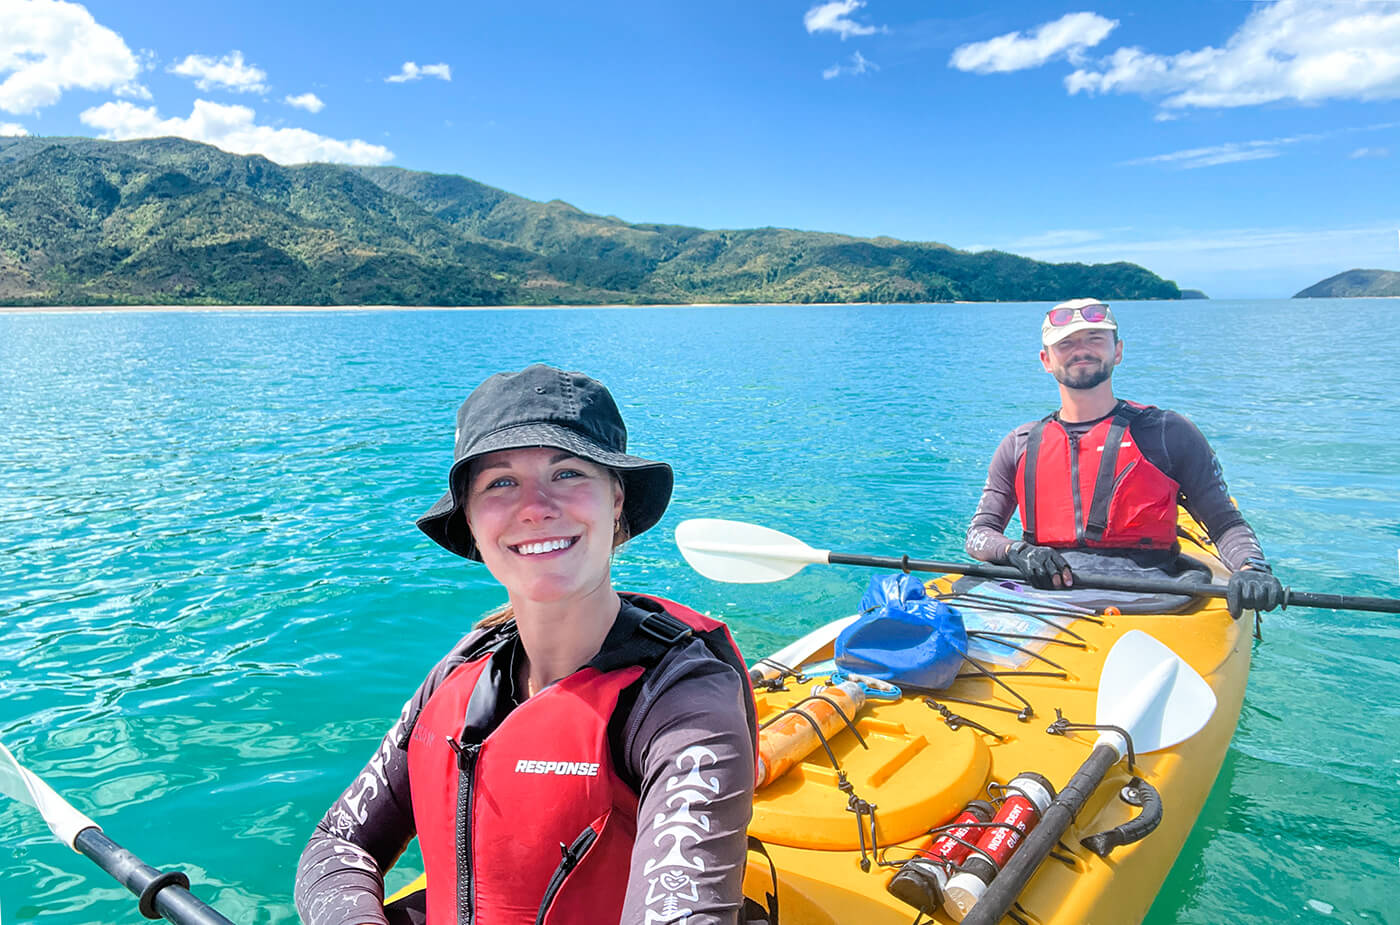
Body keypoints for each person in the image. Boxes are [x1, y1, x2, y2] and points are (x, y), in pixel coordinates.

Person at [295, 364, 757, 925]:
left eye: (567, 473)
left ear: (615, 500)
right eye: (501, 482)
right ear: (470, 517)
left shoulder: (684, 703)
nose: (535, 507)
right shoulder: (458, 674)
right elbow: (338, 843)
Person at [965, 299, 1284, 618]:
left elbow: (1224, 522)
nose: (1081, 349)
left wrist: (1252, 567)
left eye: (1095, 339)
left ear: (1117, 351)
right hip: (1044, 594)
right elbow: (980, 534)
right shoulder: (1019, 443)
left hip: (1153, 597)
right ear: (1046, 360)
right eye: (1066, 343)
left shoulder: (1167, 433)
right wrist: (1017, 551)